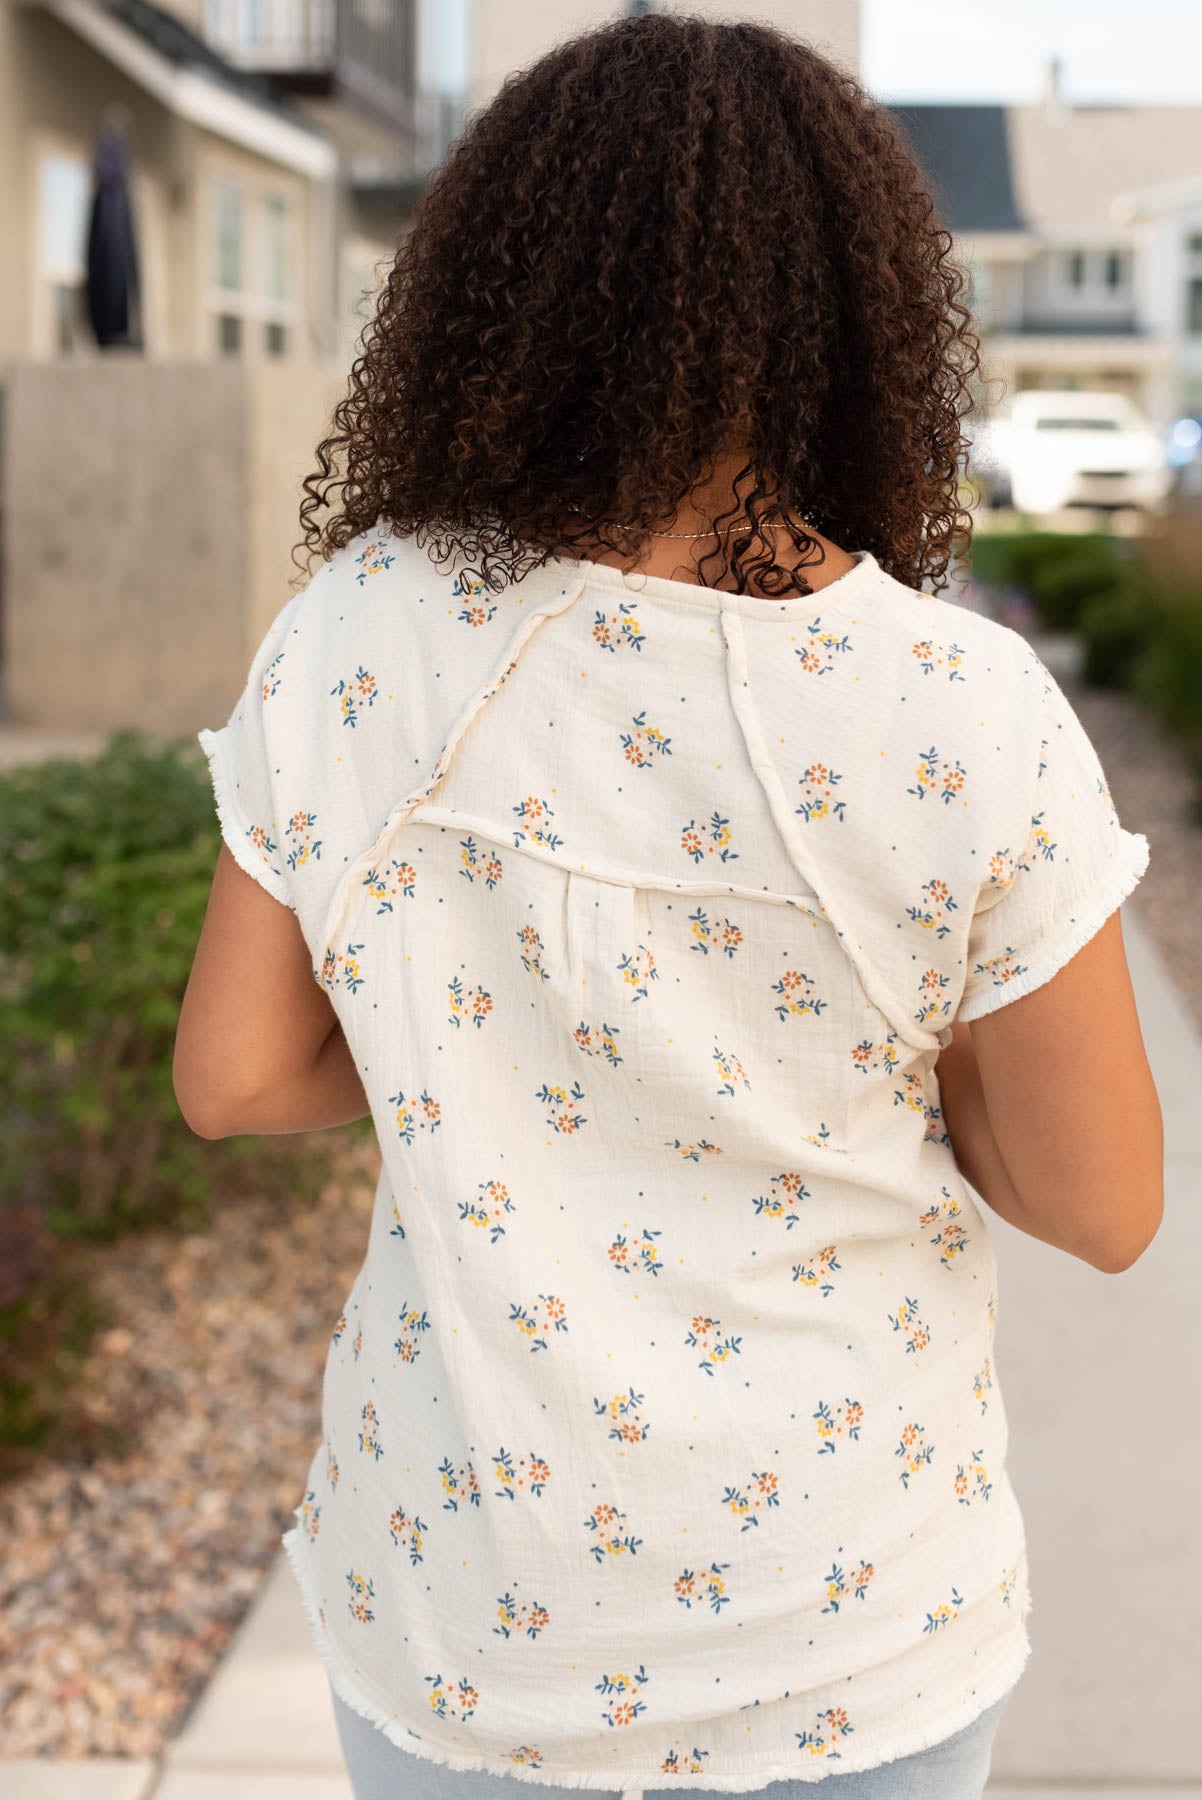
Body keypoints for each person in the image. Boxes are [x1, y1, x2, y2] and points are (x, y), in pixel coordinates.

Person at [174, 14, 1163, 1797]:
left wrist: (468, 1060)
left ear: (494, 286)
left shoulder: (361, 635)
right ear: (857, 313)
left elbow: (234, 1076)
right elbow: (1101, 1206)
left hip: (474, 1619)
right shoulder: (951, 708)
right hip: (850, 1621)